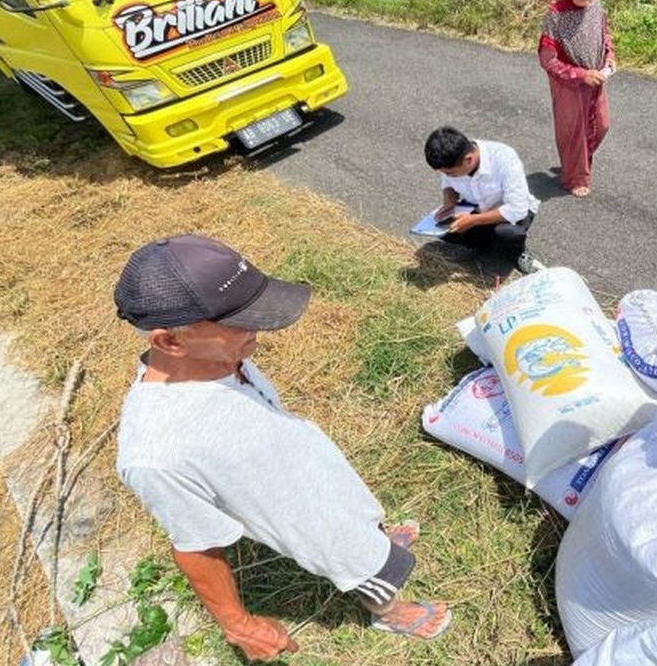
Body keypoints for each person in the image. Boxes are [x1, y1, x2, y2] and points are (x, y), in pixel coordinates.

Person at [113, 235, 452, 661]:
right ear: (171, 342)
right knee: (358, 561)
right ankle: (389, 610)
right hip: (308, 520)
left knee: (364, 517)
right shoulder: (156, 454)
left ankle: (376, 539)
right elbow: (195, 547)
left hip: (316, 468)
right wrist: (240, 625)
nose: (259, 330)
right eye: (242, 321)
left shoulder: (216, 358)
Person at [538, 0, 614, 198]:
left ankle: (575, 161)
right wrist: (581, 75)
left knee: (601, 125)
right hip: (569, 84)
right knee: (574, 131)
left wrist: (609, 59)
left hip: (596, 80)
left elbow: (606, 39)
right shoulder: (556, 15)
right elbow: (547, 60)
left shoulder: (597, 9)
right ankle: (575, 177)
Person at [424, 126, 544, 274]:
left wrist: (473, 221)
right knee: (443, 229)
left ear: (469, 159)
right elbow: (448, 185)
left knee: (508, 232)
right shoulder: (454, 159)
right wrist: (449, 202)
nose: (448, 176)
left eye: (451, 173)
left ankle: (518, 253)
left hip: (510, 214)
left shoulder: (504, 158)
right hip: (476, 209)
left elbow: (517, 209)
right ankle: (486, 245)